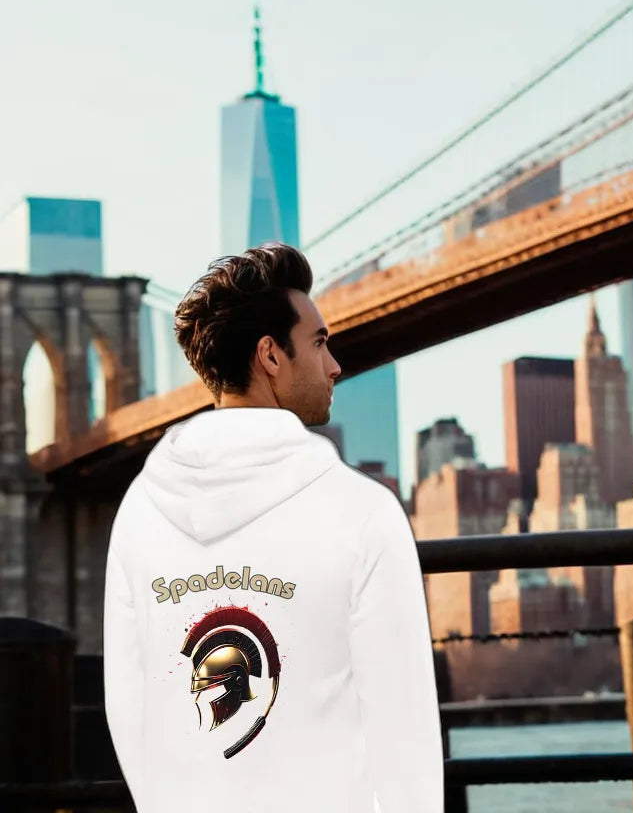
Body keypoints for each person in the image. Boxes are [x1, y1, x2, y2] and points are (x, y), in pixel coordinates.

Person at [103, 243, 443, 812]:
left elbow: (129, 706)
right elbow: (402, 729)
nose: (335, 365)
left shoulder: (140, 508)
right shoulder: (362, 512)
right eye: (319, 343)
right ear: (270, 355)